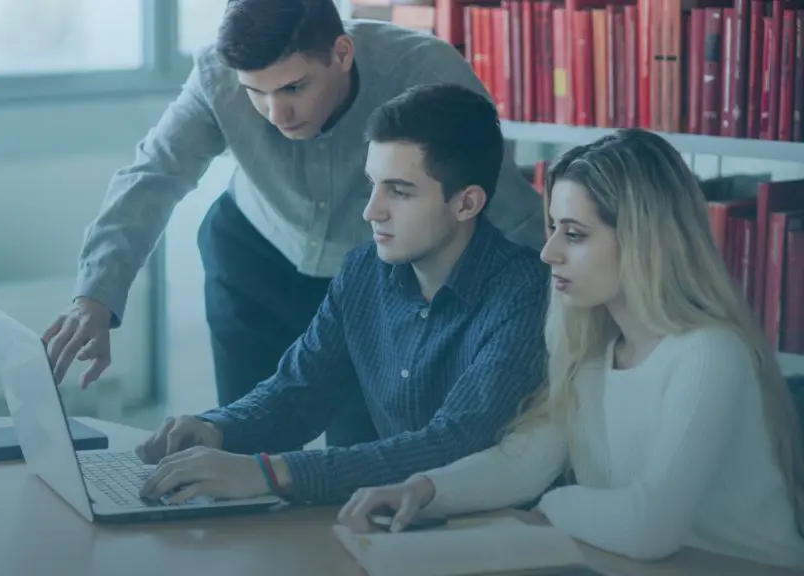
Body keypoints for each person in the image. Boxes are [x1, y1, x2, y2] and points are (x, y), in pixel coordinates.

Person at [40, 0, 545, 449]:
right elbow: (154, 174)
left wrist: (564, 304)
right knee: (236, 438)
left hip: (368, 281)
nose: (275, 112)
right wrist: (96, 295)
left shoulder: (425, 70)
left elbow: (499, 197)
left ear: (342, 53)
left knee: (356, 453)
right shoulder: (217, 75)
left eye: (294, 87)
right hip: (252, 259)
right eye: (255, 93)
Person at [337, 129, 804, 569]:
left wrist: (552, 503)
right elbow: (523, 463)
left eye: (575, 235)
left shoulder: (708, 354)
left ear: (644, 243)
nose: (549, 253)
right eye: (554, 228)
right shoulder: (594, 353)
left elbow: (649, 529)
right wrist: (420, 490)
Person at [132, 82, 549, 507]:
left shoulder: (524, 295)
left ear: (466, 204)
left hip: (494, 535)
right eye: (373, 184)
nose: (372, 210)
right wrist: (216, 429)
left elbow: (451, 445)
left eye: (399, 191)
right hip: (396, 526)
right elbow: (299, 391)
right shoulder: (364, 271)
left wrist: (269, 473)